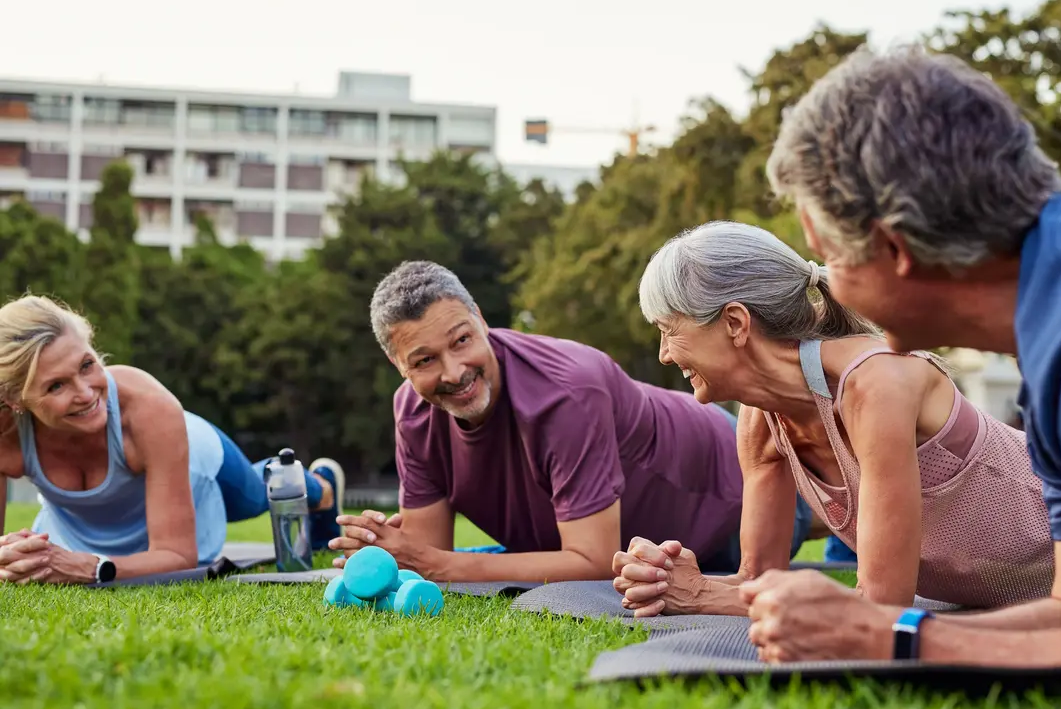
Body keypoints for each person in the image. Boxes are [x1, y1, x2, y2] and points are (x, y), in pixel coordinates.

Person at [735, 43, 1061, 693]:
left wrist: (887, 637)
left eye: (826, 261)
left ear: (892, 247)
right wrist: (873, 627)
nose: (828, 293)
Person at [611, 221, 1054, 618]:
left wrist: (703, 595)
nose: (664, 354)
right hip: (1006, 600)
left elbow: (881, 605)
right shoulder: (761, 421)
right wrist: (668, 579)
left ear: (734, 323)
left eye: (670, 330)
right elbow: (757, 579)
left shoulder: (876, 384)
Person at [329, 260, 824, 583]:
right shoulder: (412, 412)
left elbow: (590, 563)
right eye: (423, 361)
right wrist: (386, 548)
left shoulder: (565, 391)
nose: (454, 373)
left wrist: (442, 565)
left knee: (838, 508)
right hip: (654, 542)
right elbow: (429, 555)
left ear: (481, 319)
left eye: (461, 340)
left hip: (734, 484)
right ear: (398, 366)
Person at [0, 295, 345, 585]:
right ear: (15, 399)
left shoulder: (150, 408)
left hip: (192, 451)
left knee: (256, 496)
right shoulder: (6, 435)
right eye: (56, 386)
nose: (86, 393)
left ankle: (321, 486)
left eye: (87, 365)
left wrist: (89, 568)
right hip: (104, 518)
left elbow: (178, 557)